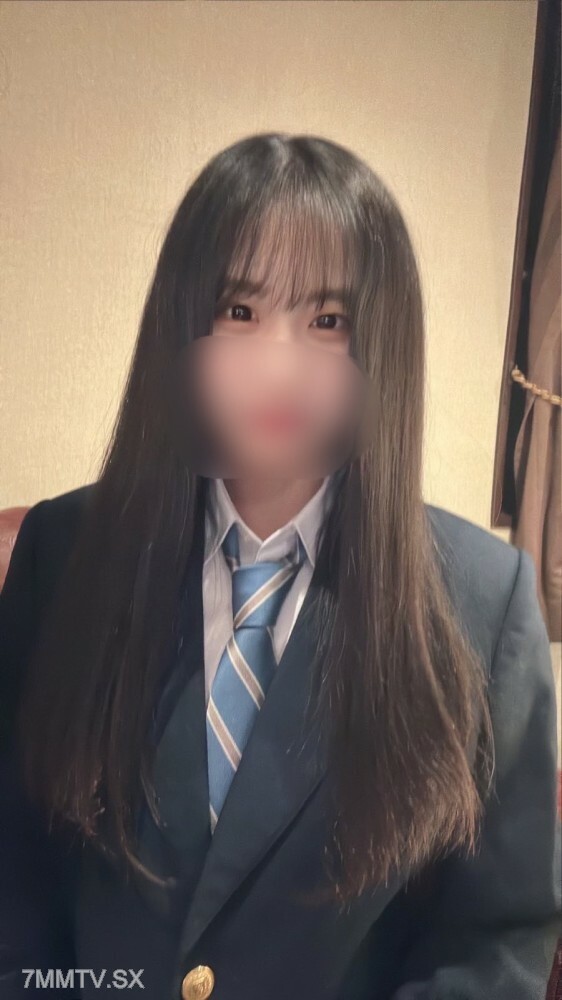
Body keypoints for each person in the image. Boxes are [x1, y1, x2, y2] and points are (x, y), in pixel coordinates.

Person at [0, 132, 560, 1000]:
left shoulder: (483, 603)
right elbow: (15, 871)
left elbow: (494, 939)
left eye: (328, 321)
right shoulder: (63, 554)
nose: (278, 364)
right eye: (239, 310)